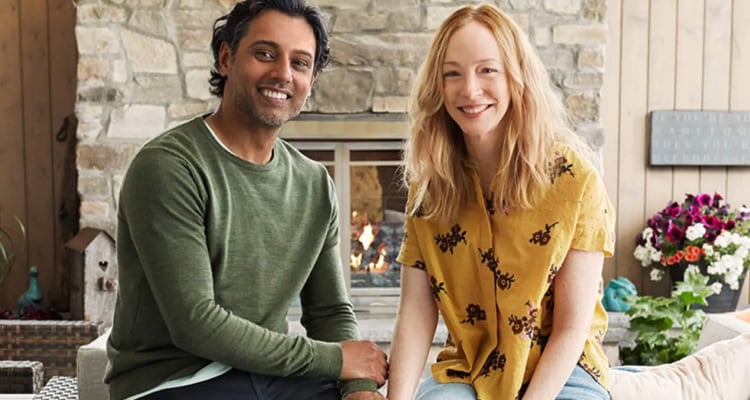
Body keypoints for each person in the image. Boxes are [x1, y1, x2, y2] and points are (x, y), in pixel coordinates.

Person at [104, 1, 387, 399]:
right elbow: (195, 323)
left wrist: (358, 388)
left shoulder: (313, 183)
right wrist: (335, 360)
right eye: (265, 54)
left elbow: (329, 312)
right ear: (226, 58)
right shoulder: (169, 167)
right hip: (175, 381)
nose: (283, 74)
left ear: (312, 78)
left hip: (272, 377)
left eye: (301, 63)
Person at [387, 4, 616, 400]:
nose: (469, 90)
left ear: (516, 77)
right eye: (452, 74)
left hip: (563, 370)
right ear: (437, 88)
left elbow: (570, 328)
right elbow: (415, 312)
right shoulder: (430, 187)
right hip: (471, 367)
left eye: (487, 70)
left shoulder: (574, 179)